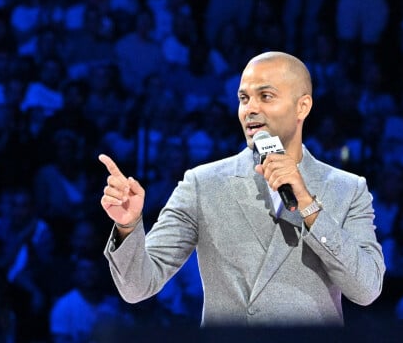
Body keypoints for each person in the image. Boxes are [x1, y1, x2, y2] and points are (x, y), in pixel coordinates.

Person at [99, 51, 385, 327]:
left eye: (266, 96)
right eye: (244, 98)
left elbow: (367, 289)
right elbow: (137, 287)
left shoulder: (348, 189)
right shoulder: (203, 184)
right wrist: (128, 226)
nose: (251, 109)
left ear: (303, 106)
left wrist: (308, 207)